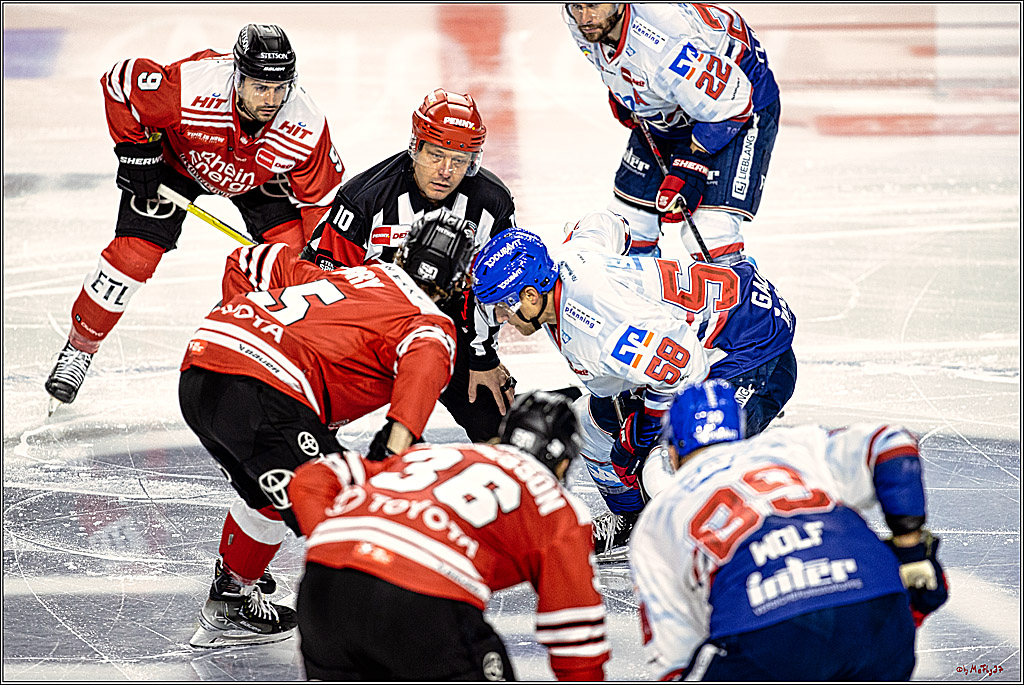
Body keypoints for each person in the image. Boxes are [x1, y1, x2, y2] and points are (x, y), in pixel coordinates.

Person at [178, 208, 477, 647]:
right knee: (346, 508)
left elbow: (247, 261)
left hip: (201, 369)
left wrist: (247, 328)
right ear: (457, 282)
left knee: (271, 494)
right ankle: (364, 646)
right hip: (263, 389)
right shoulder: (431, 325)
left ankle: (231, 597)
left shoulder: (359, 276)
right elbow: (402, 431)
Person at [45, 23, 346, 411]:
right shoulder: (191, 87)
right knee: (131, 260)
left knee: (294, 265)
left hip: (255, 180)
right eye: (260, 87)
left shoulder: (306, 124)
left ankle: (283, 366)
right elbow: (119, 82)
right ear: (237, 77)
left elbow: (322, 205)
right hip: (175, 166)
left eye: (280, 87)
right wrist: (136, 151)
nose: (271, 99)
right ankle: (79, 349)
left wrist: (318, 262)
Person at [471, 209, 795, 560]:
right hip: (701, 336)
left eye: (502, 308)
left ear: (531, 297)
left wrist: (643, 429)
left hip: (752, 353)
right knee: (589, 426)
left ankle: (742, 546)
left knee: (667, 468)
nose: (501, 318)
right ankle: (632, 520)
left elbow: (684, 365)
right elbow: (604, 222)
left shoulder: (600, 327)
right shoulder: (564, 259)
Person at [630, 380, 949, 680]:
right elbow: (894, 448)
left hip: (767, 633)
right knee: (898, 577)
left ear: (672, 451)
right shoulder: (792, 445)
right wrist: (910, 548)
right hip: (878, 616)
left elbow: (674, 656)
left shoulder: (658, 515)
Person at [289, 391, 610, 681]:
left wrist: (337, 538)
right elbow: (576, 632)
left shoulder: (431, 455)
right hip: (422, 600)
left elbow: (311, 478)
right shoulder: (557, 504)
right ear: (563, 461)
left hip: (323, 586)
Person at [300, 88, 521, 443]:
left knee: (498, 425)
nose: (446, 171)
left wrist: (482, 356)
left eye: (460, 160)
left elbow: (495, 290)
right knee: (305, 421)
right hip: (367, 330)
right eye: (436, 155)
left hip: (451, 327)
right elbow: (320, 289)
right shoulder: (363, 198)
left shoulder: (492, 203)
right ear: (415, 146)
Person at [563, 4, 780, 260]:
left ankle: (739, 298)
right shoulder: (587, 25)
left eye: (594, 5)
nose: (584, 18)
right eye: (576, 6)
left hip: (737, 108)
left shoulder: (665, 43)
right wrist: (628, 93)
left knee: (710, 234)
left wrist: (692, 161)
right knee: (630, 224)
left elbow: (733, 103)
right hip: (677, 103)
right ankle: (638, 296)